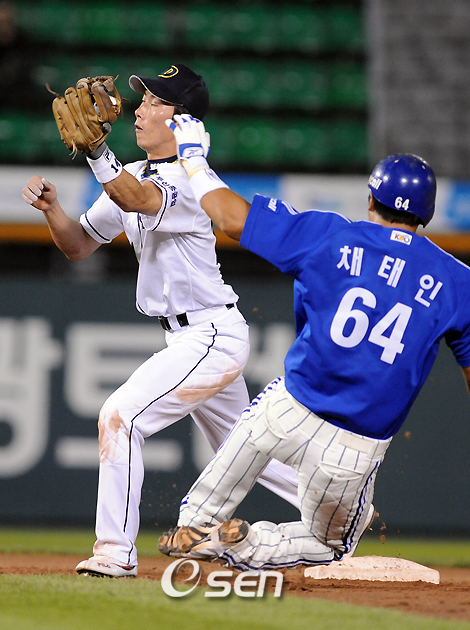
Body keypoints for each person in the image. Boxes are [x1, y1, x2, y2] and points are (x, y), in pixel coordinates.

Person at [157, 115, 470, 571]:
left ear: (371, 200)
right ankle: (244, 545)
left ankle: (198, 522)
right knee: (331, 547)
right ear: (428, 214)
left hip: (285, 409)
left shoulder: (331, 234)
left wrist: (192, 158)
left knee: (228, 471)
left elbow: (230, 218)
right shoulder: (458, 283)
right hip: (353, 445)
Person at [22, 64, 299, 578]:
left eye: (155, 101)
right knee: (245, 449)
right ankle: (338, 509)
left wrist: (97, 153)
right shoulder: (134, 172)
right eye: (144, 99)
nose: (140, 109)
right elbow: (79, 245)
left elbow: (138, 199)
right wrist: (52, 209)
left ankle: (114, 552)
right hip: (193, 337)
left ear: (182, 120)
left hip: (210, 335)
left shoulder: (191, 179)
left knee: (120, 417)